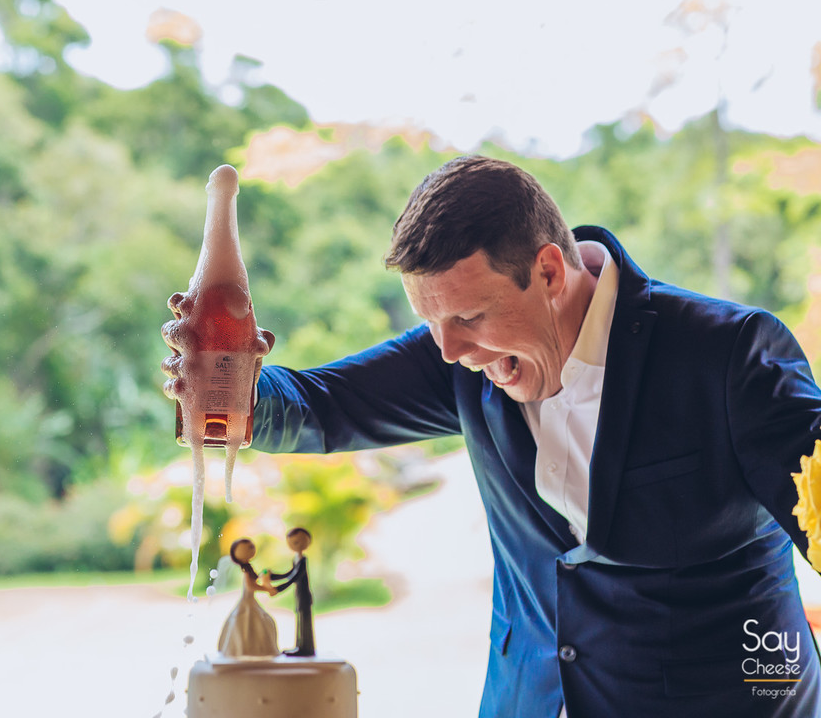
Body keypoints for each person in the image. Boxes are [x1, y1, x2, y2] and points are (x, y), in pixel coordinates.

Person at [161, 155, 821, 717]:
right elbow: (319, 406)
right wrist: (226, 386)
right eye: (431, 322)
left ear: (551, 273)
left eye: (469, 317)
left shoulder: (728, 356)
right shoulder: (462, 355)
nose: (448, 351)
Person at [218, 538, 280, 658]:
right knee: (251, 623)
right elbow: (250, 586)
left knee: (260, 621)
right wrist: (267, 589)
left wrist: (265, 577)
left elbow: (256, 581)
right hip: (247, 600)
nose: (252, 549)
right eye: (248, 547)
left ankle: (254, 649)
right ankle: (245, 649)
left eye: (252, 546)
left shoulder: (249, 568)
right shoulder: (246, 571)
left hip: (250, 600)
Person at [263, 527, 316, 657]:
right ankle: (300, 646)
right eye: (292, 543)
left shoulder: (303, 560)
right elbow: (289, 574)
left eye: (298, 542)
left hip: (304, 595)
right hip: (299, 595)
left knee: (305, 621)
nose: (295, 545)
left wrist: (278, 589)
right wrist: (273, 576)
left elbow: (295, 577)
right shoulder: (296, 559)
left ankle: (306, 648)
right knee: (300, 619)